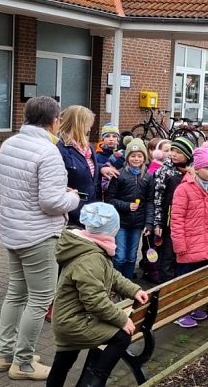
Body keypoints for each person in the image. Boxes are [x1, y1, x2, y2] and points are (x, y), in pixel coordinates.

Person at [0, 96, 80, 379]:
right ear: (54, 120)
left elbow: (5, 186)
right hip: (38, 235)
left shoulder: (9, 144)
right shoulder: (48, 151)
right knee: (40, 299)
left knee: (16, 294)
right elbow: (51, 202)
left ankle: (4, 355)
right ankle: (24, 363)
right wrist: (73, 198)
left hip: (12, 231)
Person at [46, 203, 150, 387]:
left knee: (63, 361)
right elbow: (94, 300)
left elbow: (112, 275)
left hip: (69, 318)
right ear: (111, 230)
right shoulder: (91, 258)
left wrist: (134, 290)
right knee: (121, 336)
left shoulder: (91, 247)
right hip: (73, 322)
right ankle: (94, 381)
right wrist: (121, 319)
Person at [170, 147, 208, 328]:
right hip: (188, 245)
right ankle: (179, 312)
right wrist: (179, 244)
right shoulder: (184, 189)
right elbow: (176, 219)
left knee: (200, 280)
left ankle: (192, 308)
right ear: (198, 168)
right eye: (207, 167)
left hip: (206, 244)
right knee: (184, 281)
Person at [57, 106, 119, 225]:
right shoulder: (61, 150)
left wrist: (101, 168)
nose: (90, 128)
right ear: (78, 125)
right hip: (72, 214)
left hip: (89, 210)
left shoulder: (87, 147)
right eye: (87, 124)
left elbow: (85, 166)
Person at [105, 139, 154, 280]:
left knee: (132, 255)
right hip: (121, 222)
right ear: (127, 157)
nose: (136, 159)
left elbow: (150, 202)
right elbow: (109, 199)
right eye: (133, 155)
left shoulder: (148, 177)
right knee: (120, 255)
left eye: (139, 156)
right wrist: (126, 206)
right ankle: (114, 282)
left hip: (138, 224)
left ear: (144, 158)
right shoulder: (119, 175)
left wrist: (148, 223)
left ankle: (127, 282)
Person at [148, 137, 195, 283]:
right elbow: (157, 198)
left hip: (188, 221)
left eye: (178, 152)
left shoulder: (193, 171)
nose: (173, 154)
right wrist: (158, 223)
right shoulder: (164, 171)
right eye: (172, 150)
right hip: (168, 222)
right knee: (166, 258)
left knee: (182, 257)